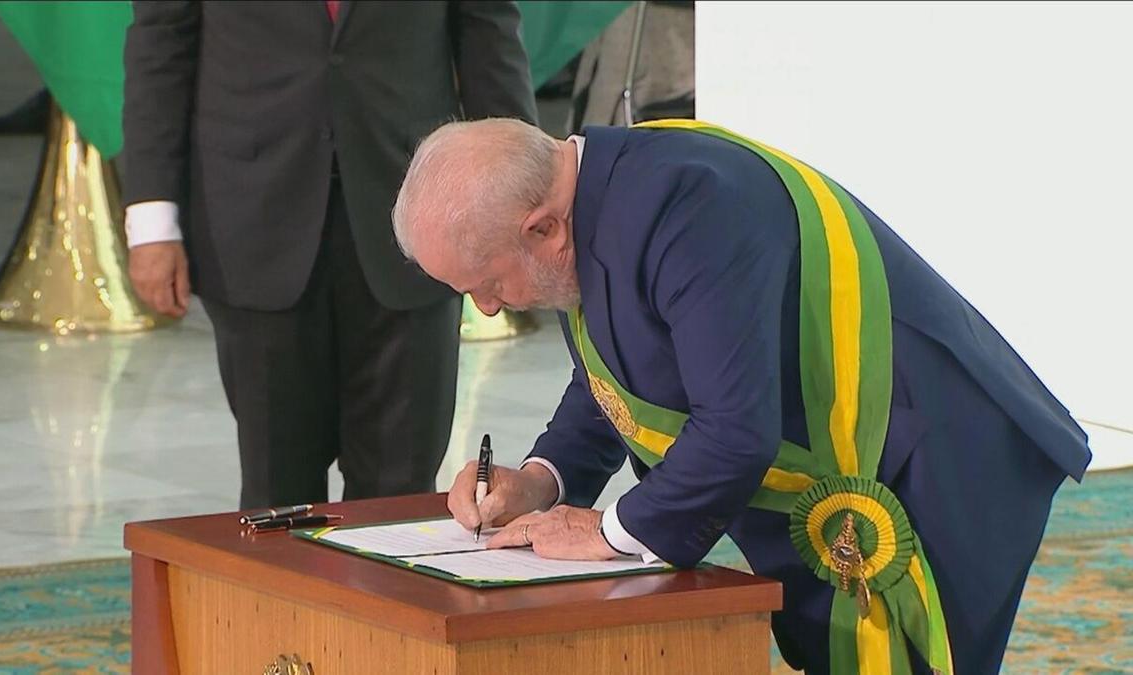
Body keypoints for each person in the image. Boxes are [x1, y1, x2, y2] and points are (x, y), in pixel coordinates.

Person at [390, 118, 1092, 674]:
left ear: (542, 227)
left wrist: (606, 531)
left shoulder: (682, 205)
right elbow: (624, 364)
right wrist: (541, 481)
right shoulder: (590, 192)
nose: (484, 309)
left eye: (484, 282)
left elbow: (734, 433)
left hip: (929, 453)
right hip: (845, 461)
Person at [121, 2, 536, 508]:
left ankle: (384, 591)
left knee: (400, 491)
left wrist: (522, 204)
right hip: (253, 217)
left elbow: (488, 38)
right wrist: (152, 222)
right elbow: (160, 47)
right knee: (277, 491)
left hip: (419, 218)